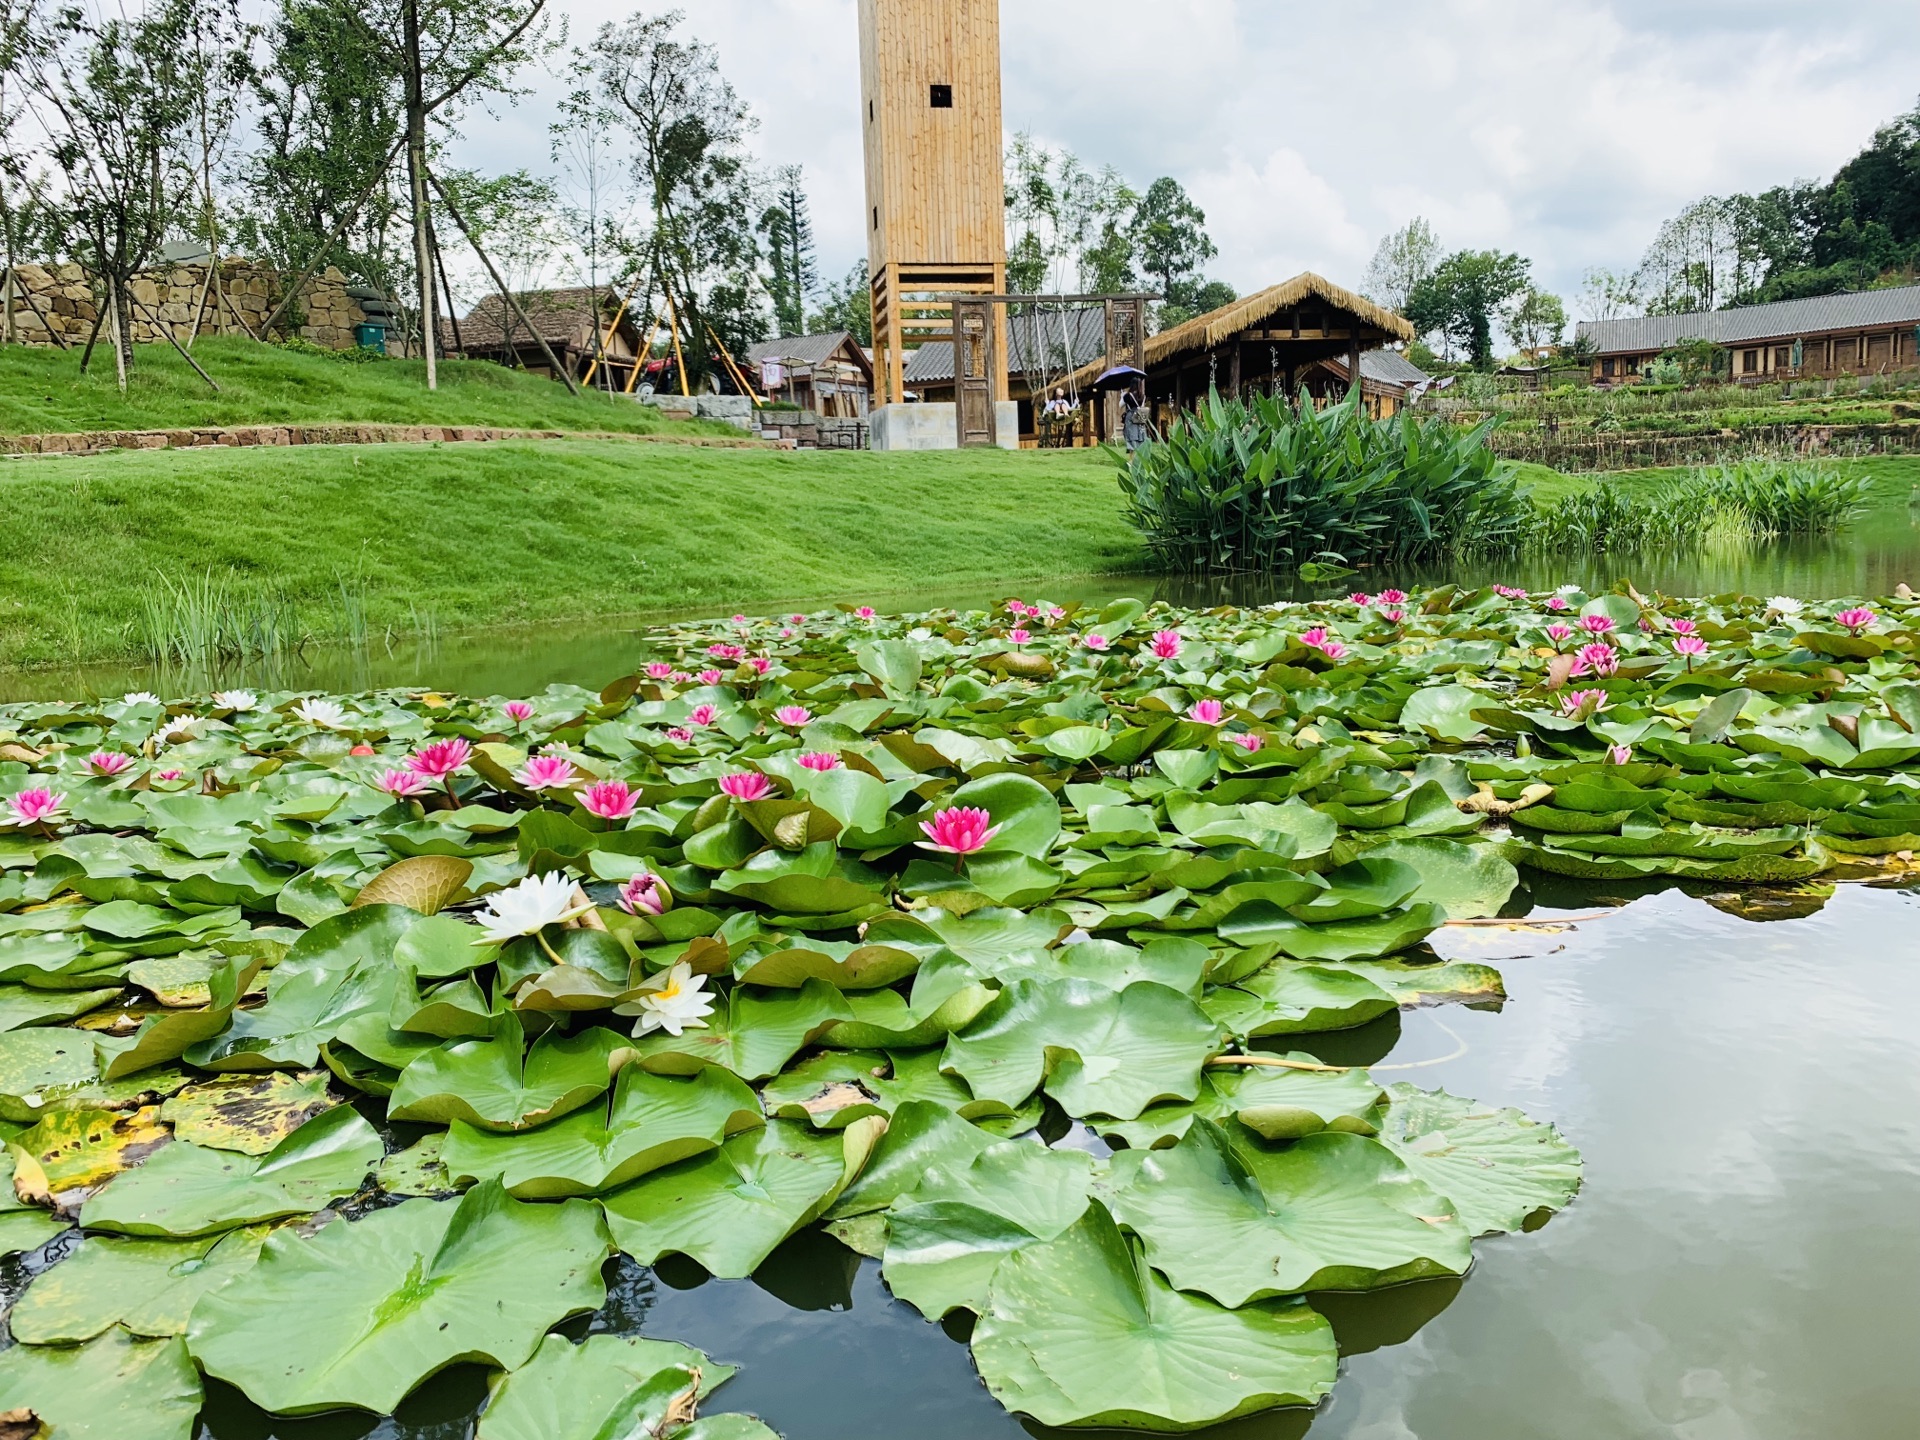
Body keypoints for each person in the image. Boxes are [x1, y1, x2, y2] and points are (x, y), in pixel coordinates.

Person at [1121, 385, 1148, 451]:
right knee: (1140, 435)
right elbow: (1142, 406)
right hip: (1140, 415)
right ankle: (1141, 453)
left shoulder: (1127, 396)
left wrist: (1122, 396)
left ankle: (1132, 455)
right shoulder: (1143, 396)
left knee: (1131, 436)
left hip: (1131, 416)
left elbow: (1120, 405)